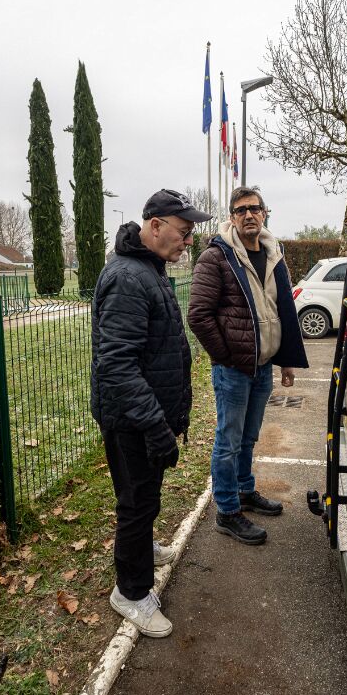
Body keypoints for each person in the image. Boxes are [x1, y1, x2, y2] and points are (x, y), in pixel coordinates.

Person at [91, 189, 211, 637]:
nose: (188, 241)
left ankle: (142, 549)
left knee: (145, 497)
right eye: (184, 232)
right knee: (136, 502)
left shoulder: (149, 269)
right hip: (132, 420)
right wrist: (155, 425)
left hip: (146, 415)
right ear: (155, 225)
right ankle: (131, 592)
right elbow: (117, 364)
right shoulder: (128, 277)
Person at [187, 186, 308, 545]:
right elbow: (198, 315)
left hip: (263, 366)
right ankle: (227, 510)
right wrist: (226, 357)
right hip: (234, 370)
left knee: (248, 437)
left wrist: (286, 361)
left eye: (254, 208)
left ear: (264, 213)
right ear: (232, 217)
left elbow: (283, 309)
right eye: (240, 210)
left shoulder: (273, 254)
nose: (248, 215)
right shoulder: (216, 257)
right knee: (228, 441)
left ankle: (244, 490)